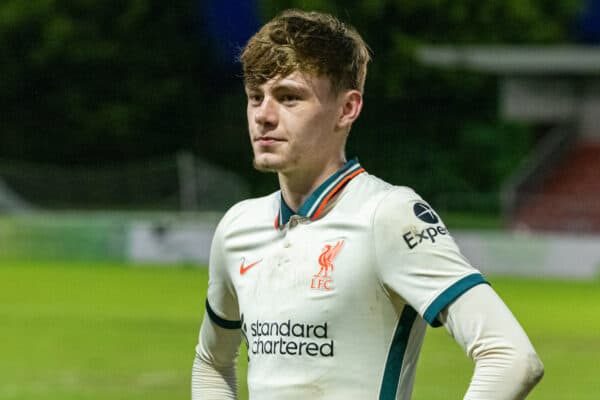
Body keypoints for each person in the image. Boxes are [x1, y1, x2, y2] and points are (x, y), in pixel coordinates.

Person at [192, 9, 544, 400]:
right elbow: (212, 362)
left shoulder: (387, 214)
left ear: (348, 108)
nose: (263, 115)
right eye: (256, 97)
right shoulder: (238, 226)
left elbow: (511, 357)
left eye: (289, 97)